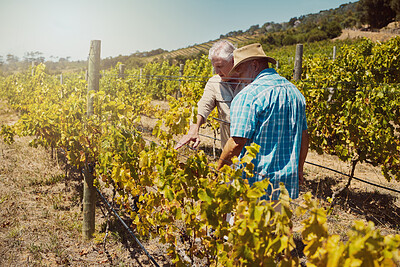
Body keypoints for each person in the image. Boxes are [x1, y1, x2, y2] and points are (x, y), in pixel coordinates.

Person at [217, 43, 309, 202]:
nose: (239, 77)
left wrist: (218, 173)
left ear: (254, 65)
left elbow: (236, 143)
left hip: (255, 186)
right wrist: (299, 168)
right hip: (284, 185)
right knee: (276, 224)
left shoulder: (248, 95)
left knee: (247, 226)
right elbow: (304, 136)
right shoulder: (296, 92)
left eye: (240, 70)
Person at [174, 40, 243, 150]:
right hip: (229, 151)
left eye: (220, 66)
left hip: (253, 150)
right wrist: (194, 128)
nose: (216, 71)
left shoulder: (250, 80)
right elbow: (203, 106)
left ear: (233, 60)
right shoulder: (214, 82)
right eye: (214, 66)